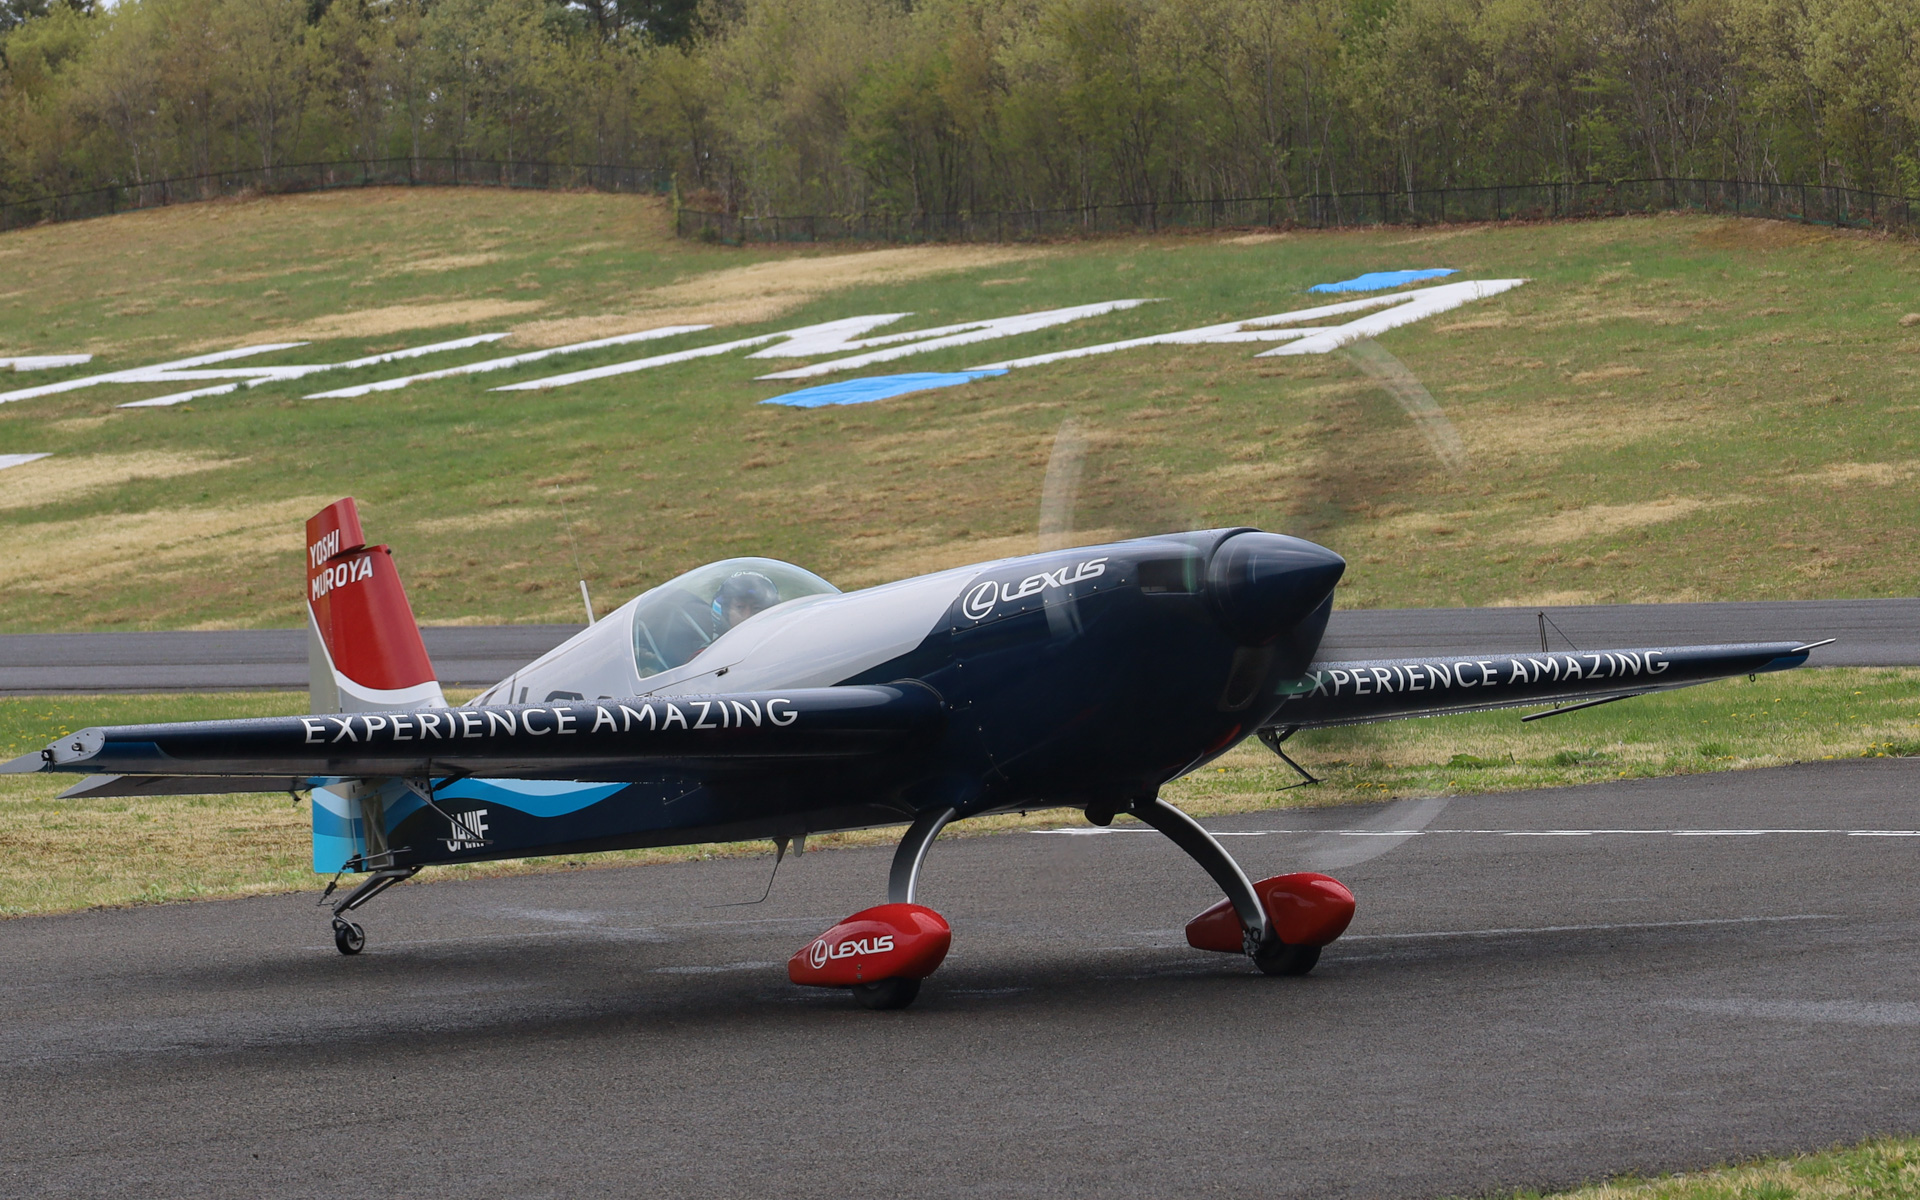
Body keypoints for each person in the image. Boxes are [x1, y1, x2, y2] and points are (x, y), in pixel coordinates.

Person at [711, 571, 781, 634]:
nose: (747, 616)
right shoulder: (712, 648)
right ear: (725, 611)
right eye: (740, 607)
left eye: (756, 608)